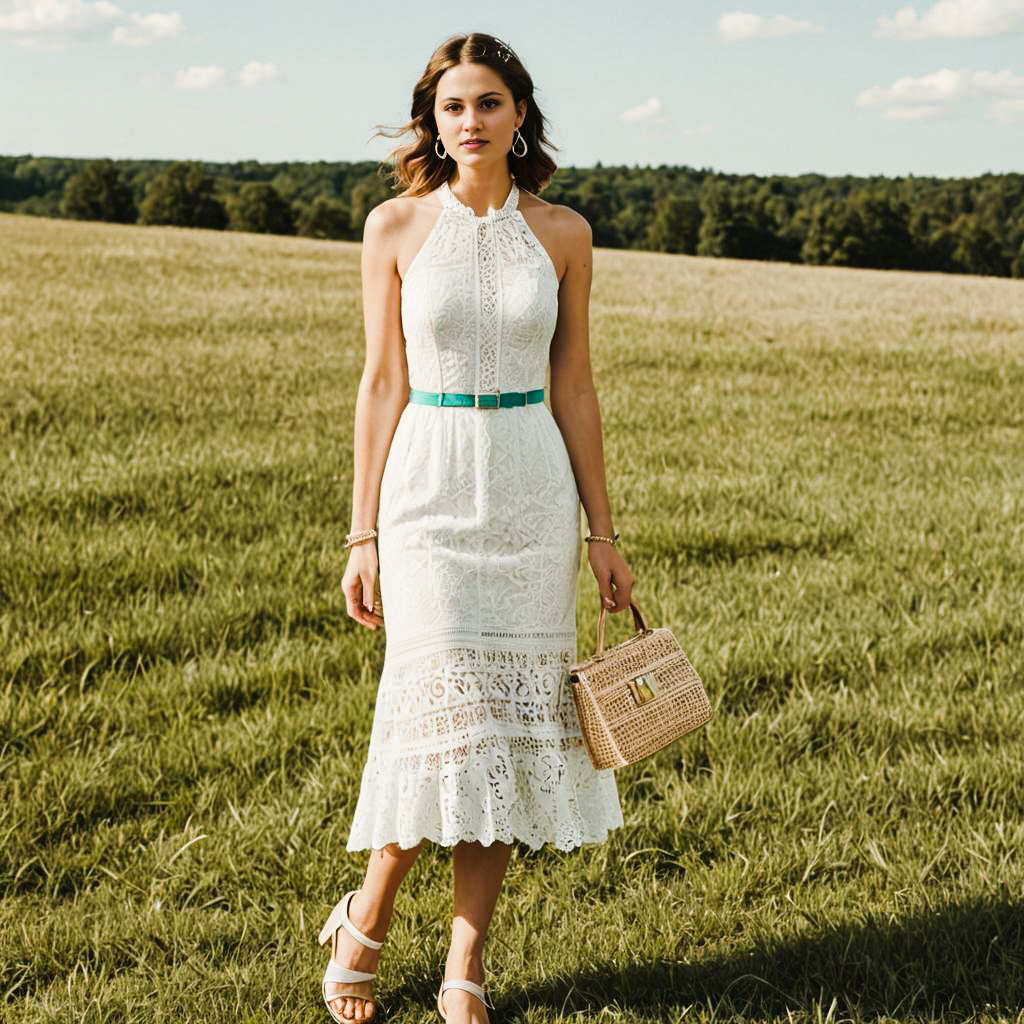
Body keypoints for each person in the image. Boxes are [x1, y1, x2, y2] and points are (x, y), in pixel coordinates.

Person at [321, 31, 635, 1024]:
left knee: (500, 737)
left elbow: (575, 384)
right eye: (452, 106)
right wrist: (360, 535)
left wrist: (602, 532)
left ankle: (465, 966)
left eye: (488, 103)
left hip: (530, 488)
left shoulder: (565, 234)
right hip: (426, 489)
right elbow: (380, 385)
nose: (470, 122)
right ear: (433, 120)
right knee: (440, 724)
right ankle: (364, 920)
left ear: (519, 115)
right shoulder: (396, 228)